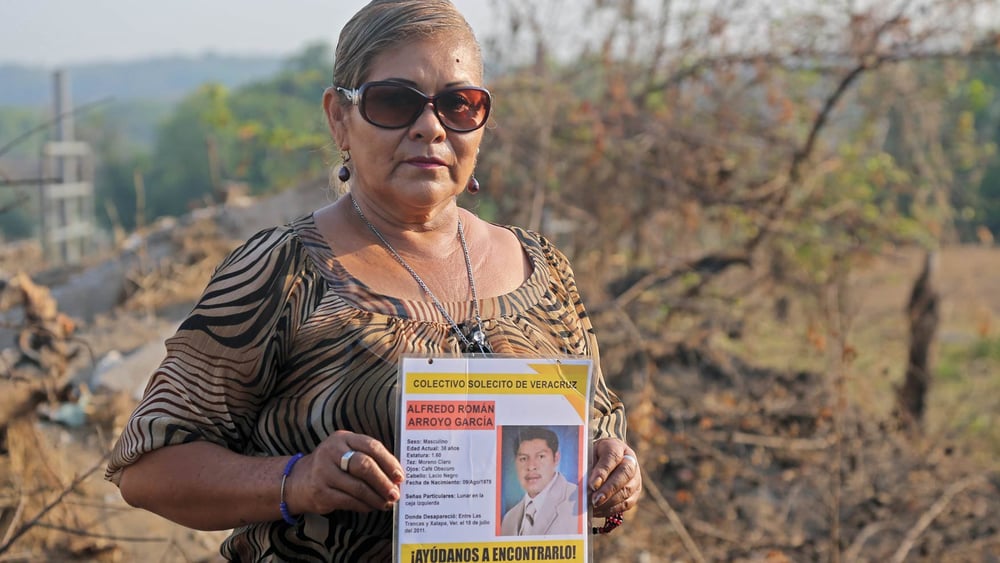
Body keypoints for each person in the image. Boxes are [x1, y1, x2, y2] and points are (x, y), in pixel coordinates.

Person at [105, 0, 642, 561]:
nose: (430, 127)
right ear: (340, 117)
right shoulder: (283, 271)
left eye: (459, 105)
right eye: (394, 102)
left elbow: (601, 437)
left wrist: (615, 471)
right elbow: (148, 470)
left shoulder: (542, 269)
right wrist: (297, 481)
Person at [500, 427, 578, 536]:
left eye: (541, 457)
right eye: (523, 458)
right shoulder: (509, 519)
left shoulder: (577, 500)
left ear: (556, 458)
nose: (531, 466)